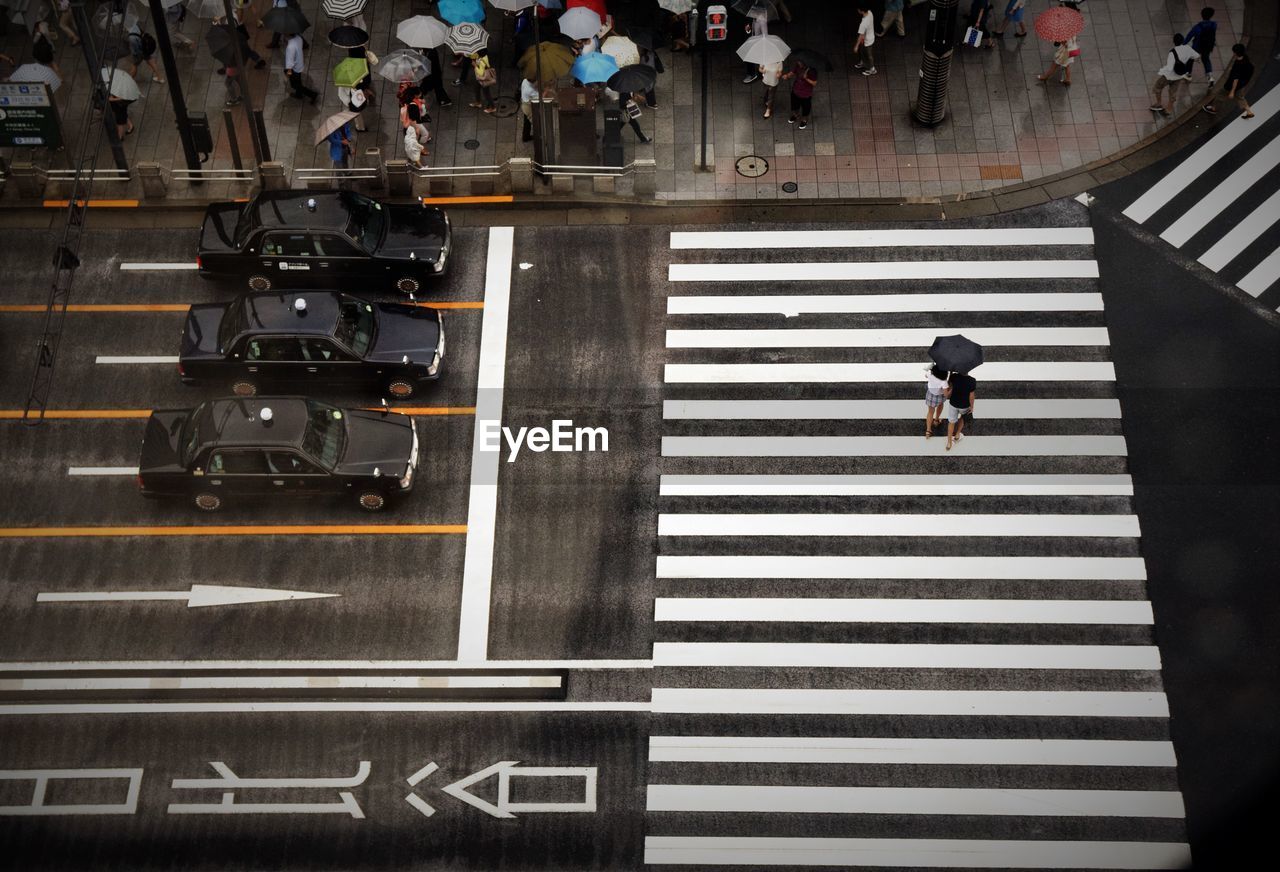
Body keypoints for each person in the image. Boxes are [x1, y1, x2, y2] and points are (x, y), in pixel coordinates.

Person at [1151, 34, 1198, 116]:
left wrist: (1161, 71)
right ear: (1183, 40)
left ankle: (1158, 104)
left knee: (1157, 87)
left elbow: (1169, 67)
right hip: (1179, 76)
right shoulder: (1188, 48)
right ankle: (1169, 110)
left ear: (1174, 42)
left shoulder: (1172, 52)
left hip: (1168, 76)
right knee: (1173, 92)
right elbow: (1197, 56)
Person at [1203, 44, 1254, 118]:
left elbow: (1235, 79)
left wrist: (1232, 91)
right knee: (1240, 97)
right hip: (1242, 84)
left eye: (1233, 52)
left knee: (1220, 95)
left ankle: (1213, 109)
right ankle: (1249, 112)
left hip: (1231, 86)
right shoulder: (1246, 58)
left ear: (1236, 53)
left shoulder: (1238, 64)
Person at [944, 371, 977, 451]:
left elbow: (949, 386)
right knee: (962, 418)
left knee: (951, 422)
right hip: (964, 405)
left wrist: (951, 373)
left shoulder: (954, 377)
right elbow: (971, 395)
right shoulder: (972, 380)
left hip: (953, 403)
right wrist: (972, 406)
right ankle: (957, 434)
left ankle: (949, 443)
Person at [1185, 7, 1218, 85]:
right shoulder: (1214, 25)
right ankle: (1210, 77)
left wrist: (1182, 44)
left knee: (1190, 59)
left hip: (1197, 47)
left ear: (1201, 15)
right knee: (1206, 60)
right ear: (1211, 16)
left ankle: (1188, 75)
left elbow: (1189, 36)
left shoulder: (1198, 27)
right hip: (1208, 46)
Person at [283, 32, 318, 104]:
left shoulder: (290, 47)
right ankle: (299, 95)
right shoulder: (298, 38)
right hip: (299, 64)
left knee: (294, 85)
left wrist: (289, 73)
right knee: (298, 81)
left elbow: (290, 63)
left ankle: (312, 94)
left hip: (294, 69)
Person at [782, 61, 816, 129]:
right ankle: (795, 115)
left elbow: (814, 83)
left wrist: (806, 78)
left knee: (805, 108)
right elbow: (792, 72)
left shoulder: (812, 71)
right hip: (796, 90)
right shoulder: (797, 66)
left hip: (806, 94)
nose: (798, 62)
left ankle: (804, 120)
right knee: (795, 105)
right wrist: (787, 76)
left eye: (800, 62)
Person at [924, 364, 949, 439]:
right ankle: (936, 420)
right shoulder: (943, 381)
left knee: (930, 412)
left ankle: (928, 430)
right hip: (939, 396)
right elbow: (946, 394)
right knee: (940, 405)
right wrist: (950, 389)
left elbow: (926, 375)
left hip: (930, 394)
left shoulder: (930, 374)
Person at [470, 50, 497, 114]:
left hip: (484, 80)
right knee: (476, 88)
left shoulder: (482, 61)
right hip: (479, 79)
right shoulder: (481, 57)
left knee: (486, 93)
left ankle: (493, 108)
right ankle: (478, 102)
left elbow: (481, 73)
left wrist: (475, 66)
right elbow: (473, 57)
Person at [403, 104, 429, 168]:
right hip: (413, 150)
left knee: (409, 156)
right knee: (417, 159)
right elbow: (417, 145)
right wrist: (422, 147)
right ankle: (422, 167)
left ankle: (408, 163)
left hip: (408, 149)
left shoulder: (406, 137)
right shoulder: (413, 140)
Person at [853, 6, 877, 75]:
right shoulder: (870, 12)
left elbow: (860, 35)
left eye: (859, 9)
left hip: (868, 41)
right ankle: (863, 62)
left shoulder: (863, 24)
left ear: (862, 11)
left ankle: (872, 69)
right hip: (868, 37)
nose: (858, 10)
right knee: (863, 51)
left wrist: (856, 46)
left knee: (869, 55)